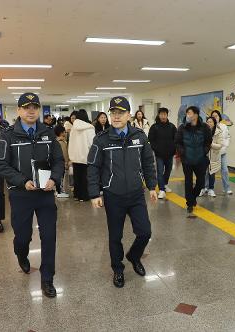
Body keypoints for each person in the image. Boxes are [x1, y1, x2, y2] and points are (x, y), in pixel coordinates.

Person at [0, 92, 64, 298]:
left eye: (35, 107)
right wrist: (21, 181)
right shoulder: (7, 135)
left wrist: (55, 178)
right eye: (26, 107)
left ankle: (47, 278)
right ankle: (21, 253)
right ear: (19, 111)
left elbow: (59, 161)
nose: (31, 111)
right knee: (23, 236)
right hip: (20, 195)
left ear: (39, 110)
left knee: (49, 236)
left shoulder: (48, 133)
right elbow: (0, 164)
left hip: (45, 194)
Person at [87, 96, 157, 288]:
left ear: (129, 115)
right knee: (115, 236)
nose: (116, 116)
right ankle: (118, 269)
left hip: (136, 194)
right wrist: (94, 193)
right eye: (113, 113)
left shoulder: (140, 136)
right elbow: (93, 166)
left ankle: (134, 256)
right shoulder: (101, 139)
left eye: (121, 113)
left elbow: (148, 163)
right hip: (113, 195)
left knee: (145, 232)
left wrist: (152, 186)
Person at [175, 106, 213, 213]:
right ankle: (190, 203)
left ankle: (193, 197)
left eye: (190, 113)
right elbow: (177, 142)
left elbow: (208, 141)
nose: (188, 115)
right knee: (188, 181)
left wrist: (204, 151)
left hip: (200, 159)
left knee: (200, 182)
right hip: (187, 159)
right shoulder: (182, 128)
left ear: (196, 115)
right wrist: (182, 152)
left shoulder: (204, 127)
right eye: (187, 113)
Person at [148, 107, 177, 199]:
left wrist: (174, 149)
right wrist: (156, 149)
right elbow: (150, 140)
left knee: (168, 170)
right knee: (160, 171)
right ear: (159, 115)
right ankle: (161, 190)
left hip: (170, 154)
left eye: (165, 114)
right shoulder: (154, 127)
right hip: (159, 154)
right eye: (161, 114)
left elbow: (176, 139)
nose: (163, 116)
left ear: (167, 115)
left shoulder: (172, 126)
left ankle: (165, 184)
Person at [68, 109, 95, 202]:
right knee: (85, 177)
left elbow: (70, 143)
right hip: (86, 156)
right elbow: (92, 143)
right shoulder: (90, 128)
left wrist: (70, 156)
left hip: (75, 156)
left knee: (77, 177)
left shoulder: (73, 128)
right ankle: (84, 196)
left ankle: (77, 195)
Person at [211, 110, 233, 195]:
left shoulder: (224, 126)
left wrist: (225, 145)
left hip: (222, 152)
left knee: (225, 170)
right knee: (210, 171)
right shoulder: (209, 126)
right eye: (213, 116)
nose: (215, 117)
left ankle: (226, 188)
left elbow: (228, 137)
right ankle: (206, 187)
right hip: (212, 152)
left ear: (219, 117)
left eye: (216, 116)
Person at [200, 117, 222, 197]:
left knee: (211, 173)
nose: (209, 123)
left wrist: (211, 144)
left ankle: (211, 189)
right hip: (203, 155)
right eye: (208, 122)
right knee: (201, 173)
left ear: (214, 123)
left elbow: (220, 145)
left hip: (213, 156)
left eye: (211, 122)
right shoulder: (202, 131)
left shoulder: (218, 132)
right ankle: (202, 189)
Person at [54, 125, 70, 198]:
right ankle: (59, 191)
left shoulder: (56, 141)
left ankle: (58, 191)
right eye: (64, 132)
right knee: (61, 178)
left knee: (59, 177)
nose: (65, 133)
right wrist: (66, 162)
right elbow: (64, 154)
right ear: (61, 133)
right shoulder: (61, 142)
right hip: (61, 163)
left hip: (57, 163)